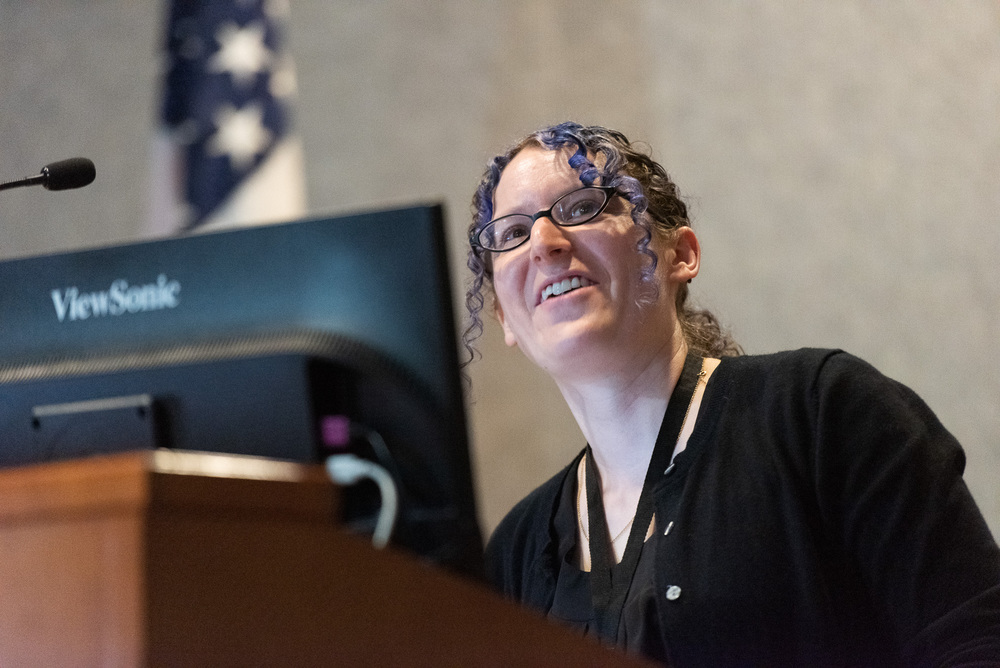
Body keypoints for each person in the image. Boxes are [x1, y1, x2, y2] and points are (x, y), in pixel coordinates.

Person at [465, 122, 1000, 666]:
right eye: (512, 234)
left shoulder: (823, 412)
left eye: (582, 207)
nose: (544, 243)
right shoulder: (516, 552)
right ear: (505, 316)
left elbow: (978, 642)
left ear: (680, 255)